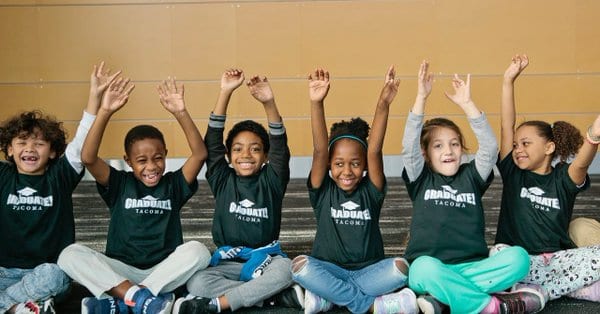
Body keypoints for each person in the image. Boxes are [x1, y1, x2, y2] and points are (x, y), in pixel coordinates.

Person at [57, 75, 211, 314]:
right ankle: (139, 298)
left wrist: (180, 112)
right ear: (128, 161)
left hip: (162, 270)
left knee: (199, 251)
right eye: (141, 161)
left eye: (158, 158)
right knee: (68, 255)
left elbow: (200, 154)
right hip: (120, 270)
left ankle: (125, 299)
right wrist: (105, 110)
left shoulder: (173, 185)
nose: (151, 166)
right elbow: (88, 157)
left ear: (166, 155)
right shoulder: (119, 183)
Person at [403, 61, 543, 314]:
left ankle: (444, 299)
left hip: (474, 266)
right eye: (438, 146)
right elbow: (409, 144)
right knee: (422, 268)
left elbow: (489, 148)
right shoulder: (420, 177)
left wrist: (468, 105)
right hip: (432, 267)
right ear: (425, 153)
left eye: (455, 144)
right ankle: (486, 305)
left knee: (519, 259)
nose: (448, 151)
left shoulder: (471, 176)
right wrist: (421, 97)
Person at [291, 67, 416, 314]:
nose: (347, 171)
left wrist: (383, 104)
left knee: (401, 267)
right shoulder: (322, 190)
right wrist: (317, 103)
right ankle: (370, 305)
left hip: (369, 271)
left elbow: (374, 150)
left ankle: (329, 296)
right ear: (329, 164)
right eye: (338, 164)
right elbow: (319, 149)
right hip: (328, 268)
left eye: (355, 164)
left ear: (365, 166)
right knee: (299, 266)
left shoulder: (372, 191)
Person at [176, 69, 297, 314]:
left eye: (255, 149)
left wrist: (269, 102)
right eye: (238, 149)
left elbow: (280, 147)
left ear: (264, 157)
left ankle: (221, 303)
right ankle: (267, 297)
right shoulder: (222, 179)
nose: (245, 155)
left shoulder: (272, 181)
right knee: (197, 282)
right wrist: (225, 92)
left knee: (287, 270)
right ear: (229, 156)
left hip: (267, 260)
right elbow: (211, 142)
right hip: (228, 262)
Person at [0, 61, 116, 314]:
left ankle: (8, 306)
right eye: (21, 142)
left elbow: (82, 139)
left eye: (39, 144)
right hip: (3, 273)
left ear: (53, 152)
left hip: (45, 274)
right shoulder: (3, 176)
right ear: (9, 149)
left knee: (57, 276)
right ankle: (19, 308)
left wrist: (95, 97)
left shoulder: (60, 176)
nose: (30, 149)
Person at [491, 54, 600, 305]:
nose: (518, 148)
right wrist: (508, 81)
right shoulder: (513, 173)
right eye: (516, 144)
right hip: (518, 262)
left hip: (555, 262)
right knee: (499, 253)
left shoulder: (563, 177)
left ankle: (538, 291)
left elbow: (582, 161)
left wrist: (593, 135)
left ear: (549, 147)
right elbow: (507, 125)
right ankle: (560, 288)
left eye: (526, 143)